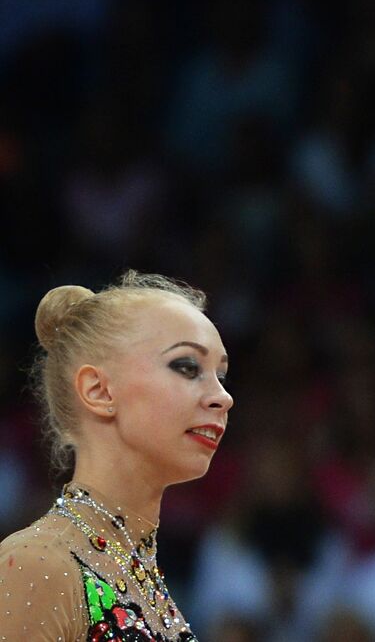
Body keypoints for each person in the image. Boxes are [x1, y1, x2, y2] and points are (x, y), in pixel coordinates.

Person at [0, 272, 232, 641]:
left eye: (220, 375)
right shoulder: (38, 565)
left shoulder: (139, 572)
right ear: (99, 390)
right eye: (187, 367)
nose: (223, 397)